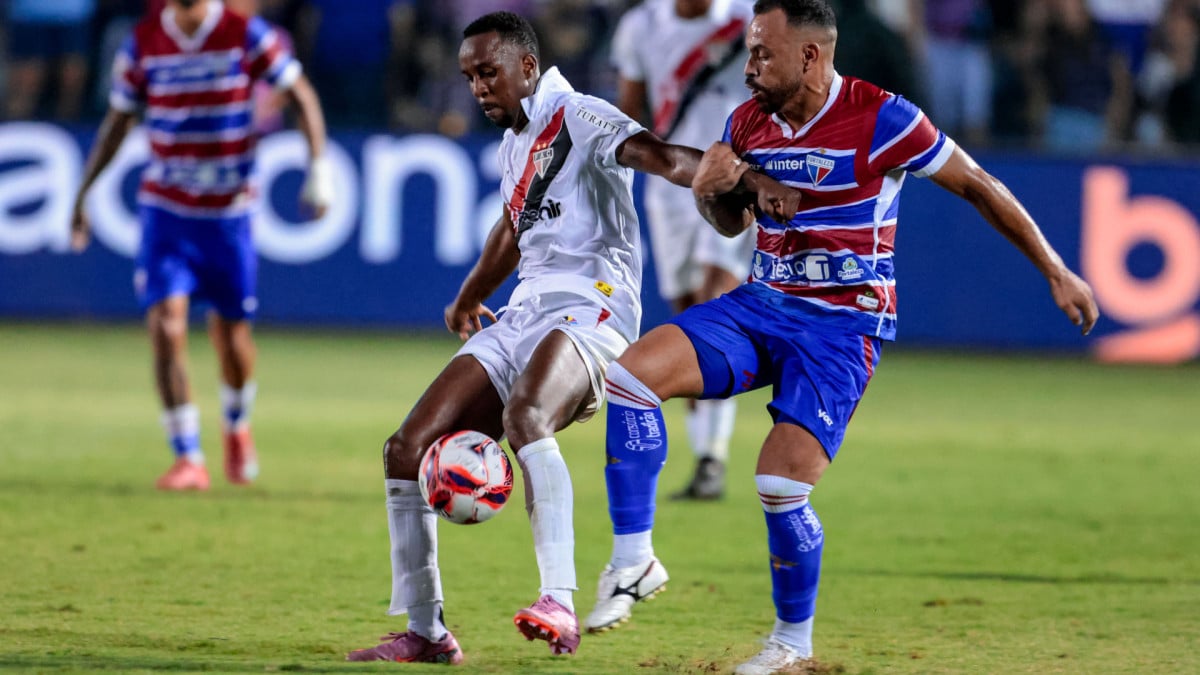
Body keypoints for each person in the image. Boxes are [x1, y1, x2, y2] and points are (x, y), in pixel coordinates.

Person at [583, 2, 1099, 674]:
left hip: (841, 327)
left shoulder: (883, 117)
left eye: (763, 53)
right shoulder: (747, 123)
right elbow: (733, 227)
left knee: (778, 483)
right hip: (762, 305)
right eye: (748, 51)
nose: (749, 66)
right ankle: (633, 557)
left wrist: (1056, 271)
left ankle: (791, 644)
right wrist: (713, 191)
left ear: (810, 56)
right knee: (630, 375)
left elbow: (977, 185)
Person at [344, 10, 795, 664]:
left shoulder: (579, 114)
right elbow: (512, 226)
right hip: (529, 310)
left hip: (596, 306)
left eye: (488, 73)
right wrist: (471, 295)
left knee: (527, 414)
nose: (478, 88)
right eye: (469, 77)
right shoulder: (513, 142)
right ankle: (426, 630)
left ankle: (557, 598)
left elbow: (663, 156)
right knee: (405, 448)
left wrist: (749, 181)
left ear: (527, 66)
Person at [69, 0, 332, 491]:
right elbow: (118, 120)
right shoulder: (143, 41)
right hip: (165, 211)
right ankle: (188, 456)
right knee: (165, 325)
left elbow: (301, 94)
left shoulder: (245, 34)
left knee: (232, 338)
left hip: (228, 215)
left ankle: (236, 424)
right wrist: (84, 193)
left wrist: (318, 167)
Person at [609, 0, 757, 501]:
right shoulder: (641, 25)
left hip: (734, 177)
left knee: (716, 305)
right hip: (667, 183)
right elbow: (624, 116)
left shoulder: (748, 19)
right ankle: (702, 455)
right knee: (686, 310)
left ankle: (713, 457)